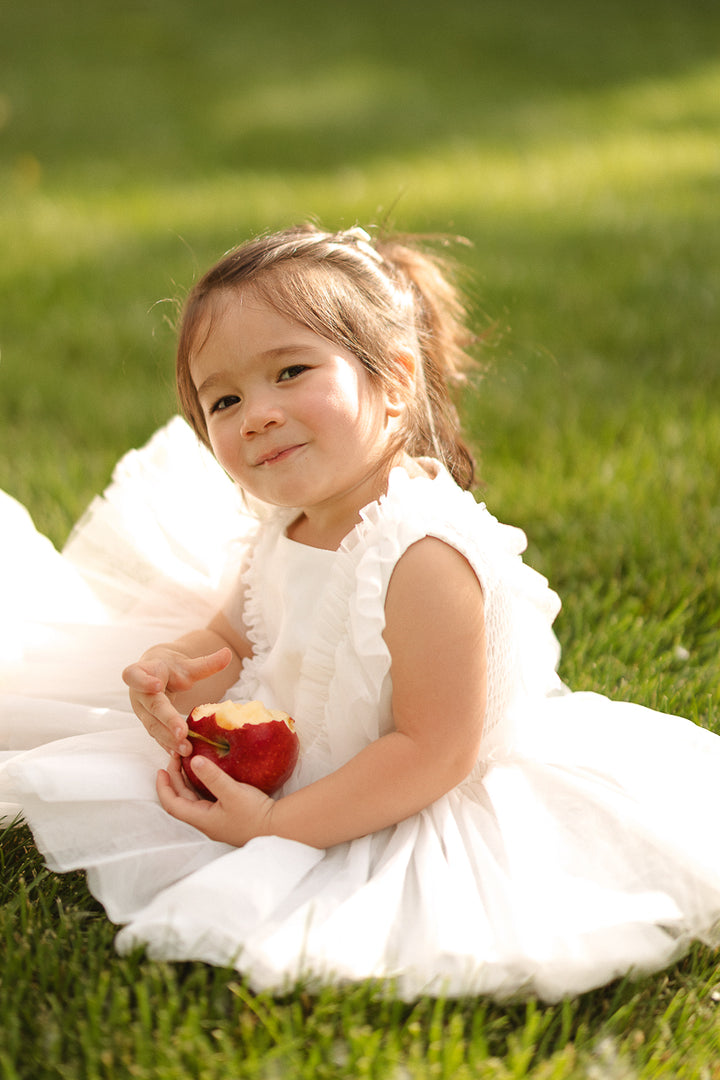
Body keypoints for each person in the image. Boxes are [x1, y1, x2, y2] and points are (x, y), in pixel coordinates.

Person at [1, 224, 719, 1002]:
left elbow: (433, 749)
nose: (257, 414)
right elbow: (234, 635)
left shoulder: (423, 554)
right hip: (317, 760)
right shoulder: (288, 525)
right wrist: (180, 665)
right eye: (226, 399)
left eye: (291, 371)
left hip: (414, 786)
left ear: (396, 383)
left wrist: (276, 830)